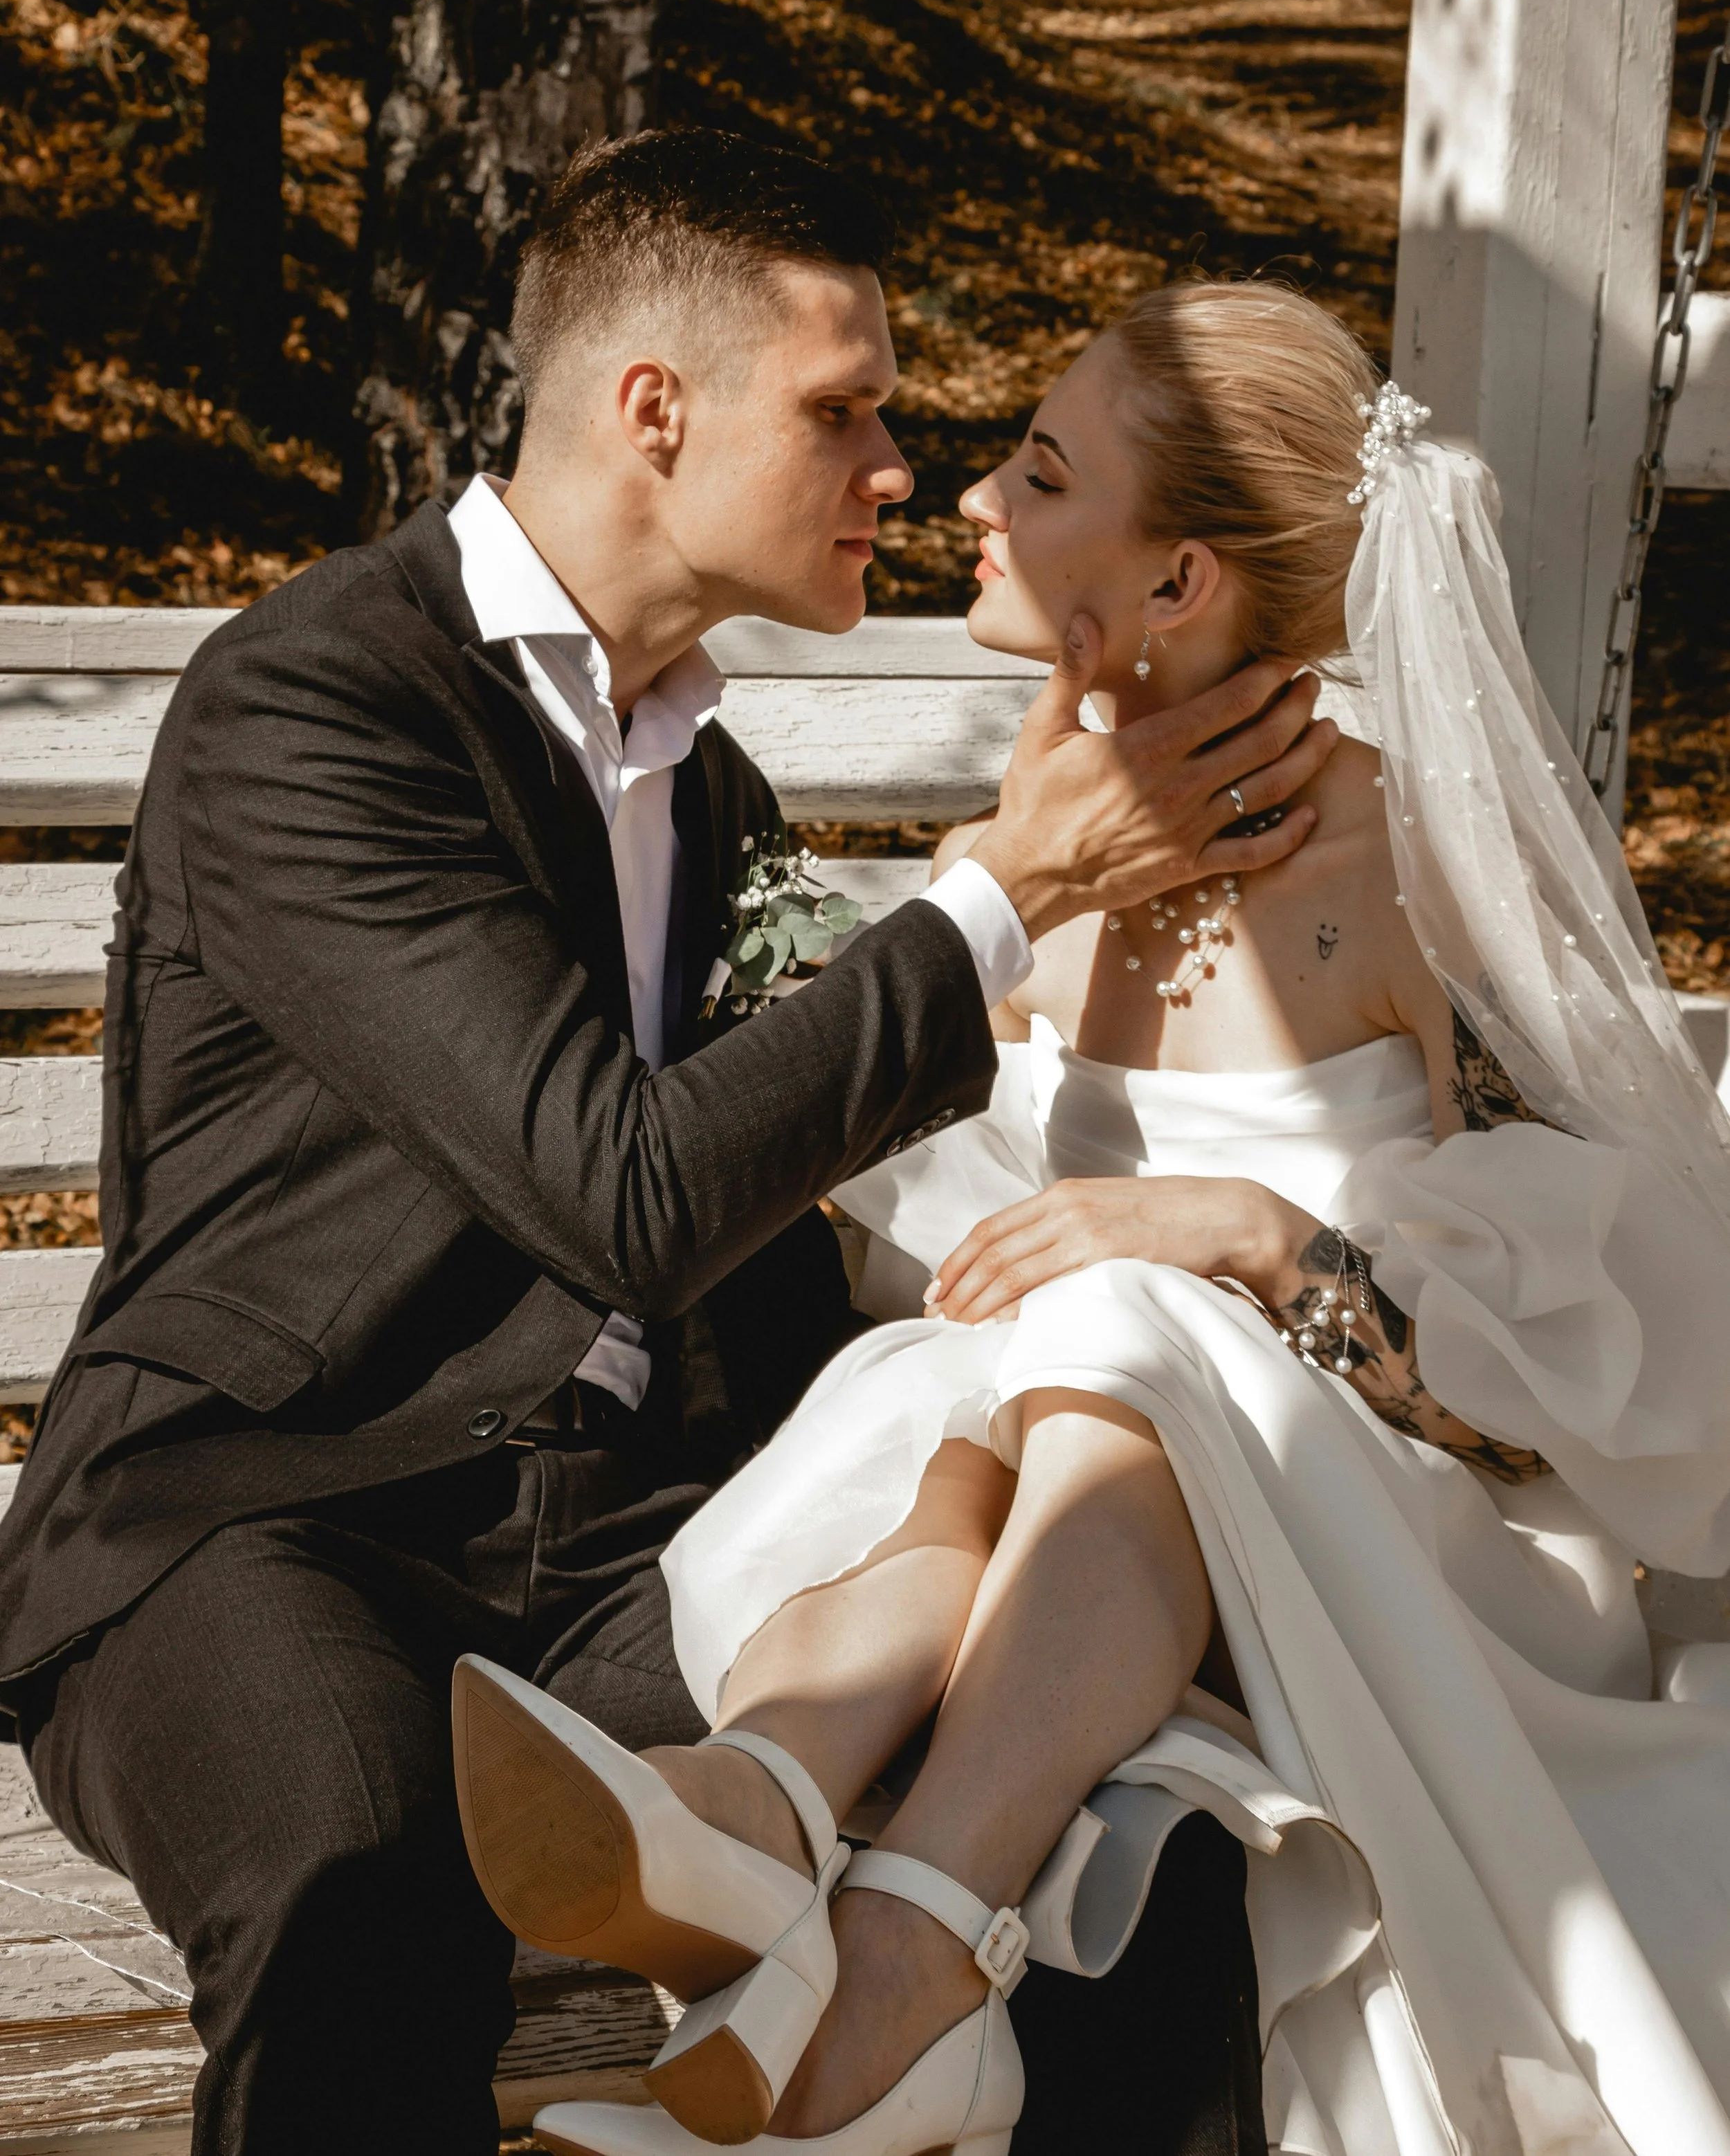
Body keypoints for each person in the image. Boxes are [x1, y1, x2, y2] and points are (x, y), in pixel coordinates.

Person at [0, 140, 1333, 2155]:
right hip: (267, 1513)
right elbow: (614, 1182)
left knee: (1140, 1842)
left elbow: (823, 1172)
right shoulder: (315, 702)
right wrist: (1000, 893)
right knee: (367, 1868)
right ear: (654, 412)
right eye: (844, 407)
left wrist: (1180, 1269)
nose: (900, 462)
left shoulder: (696, 778)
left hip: (632, 1549)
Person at [459, 282, 1730, 2156]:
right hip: (1067, 1513)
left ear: (1176, 583)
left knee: (1123, 1318)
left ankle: (848, 1923)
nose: (970, 491)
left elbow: (1607, 1387)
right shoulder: (1041, 841)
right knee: (1041, 1357)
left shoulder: (1400, 868)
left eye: (1042, 469)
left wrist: (1242, 1228)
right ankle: (796, 1879)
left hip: (1405, 1547)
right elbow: (948, 1256)